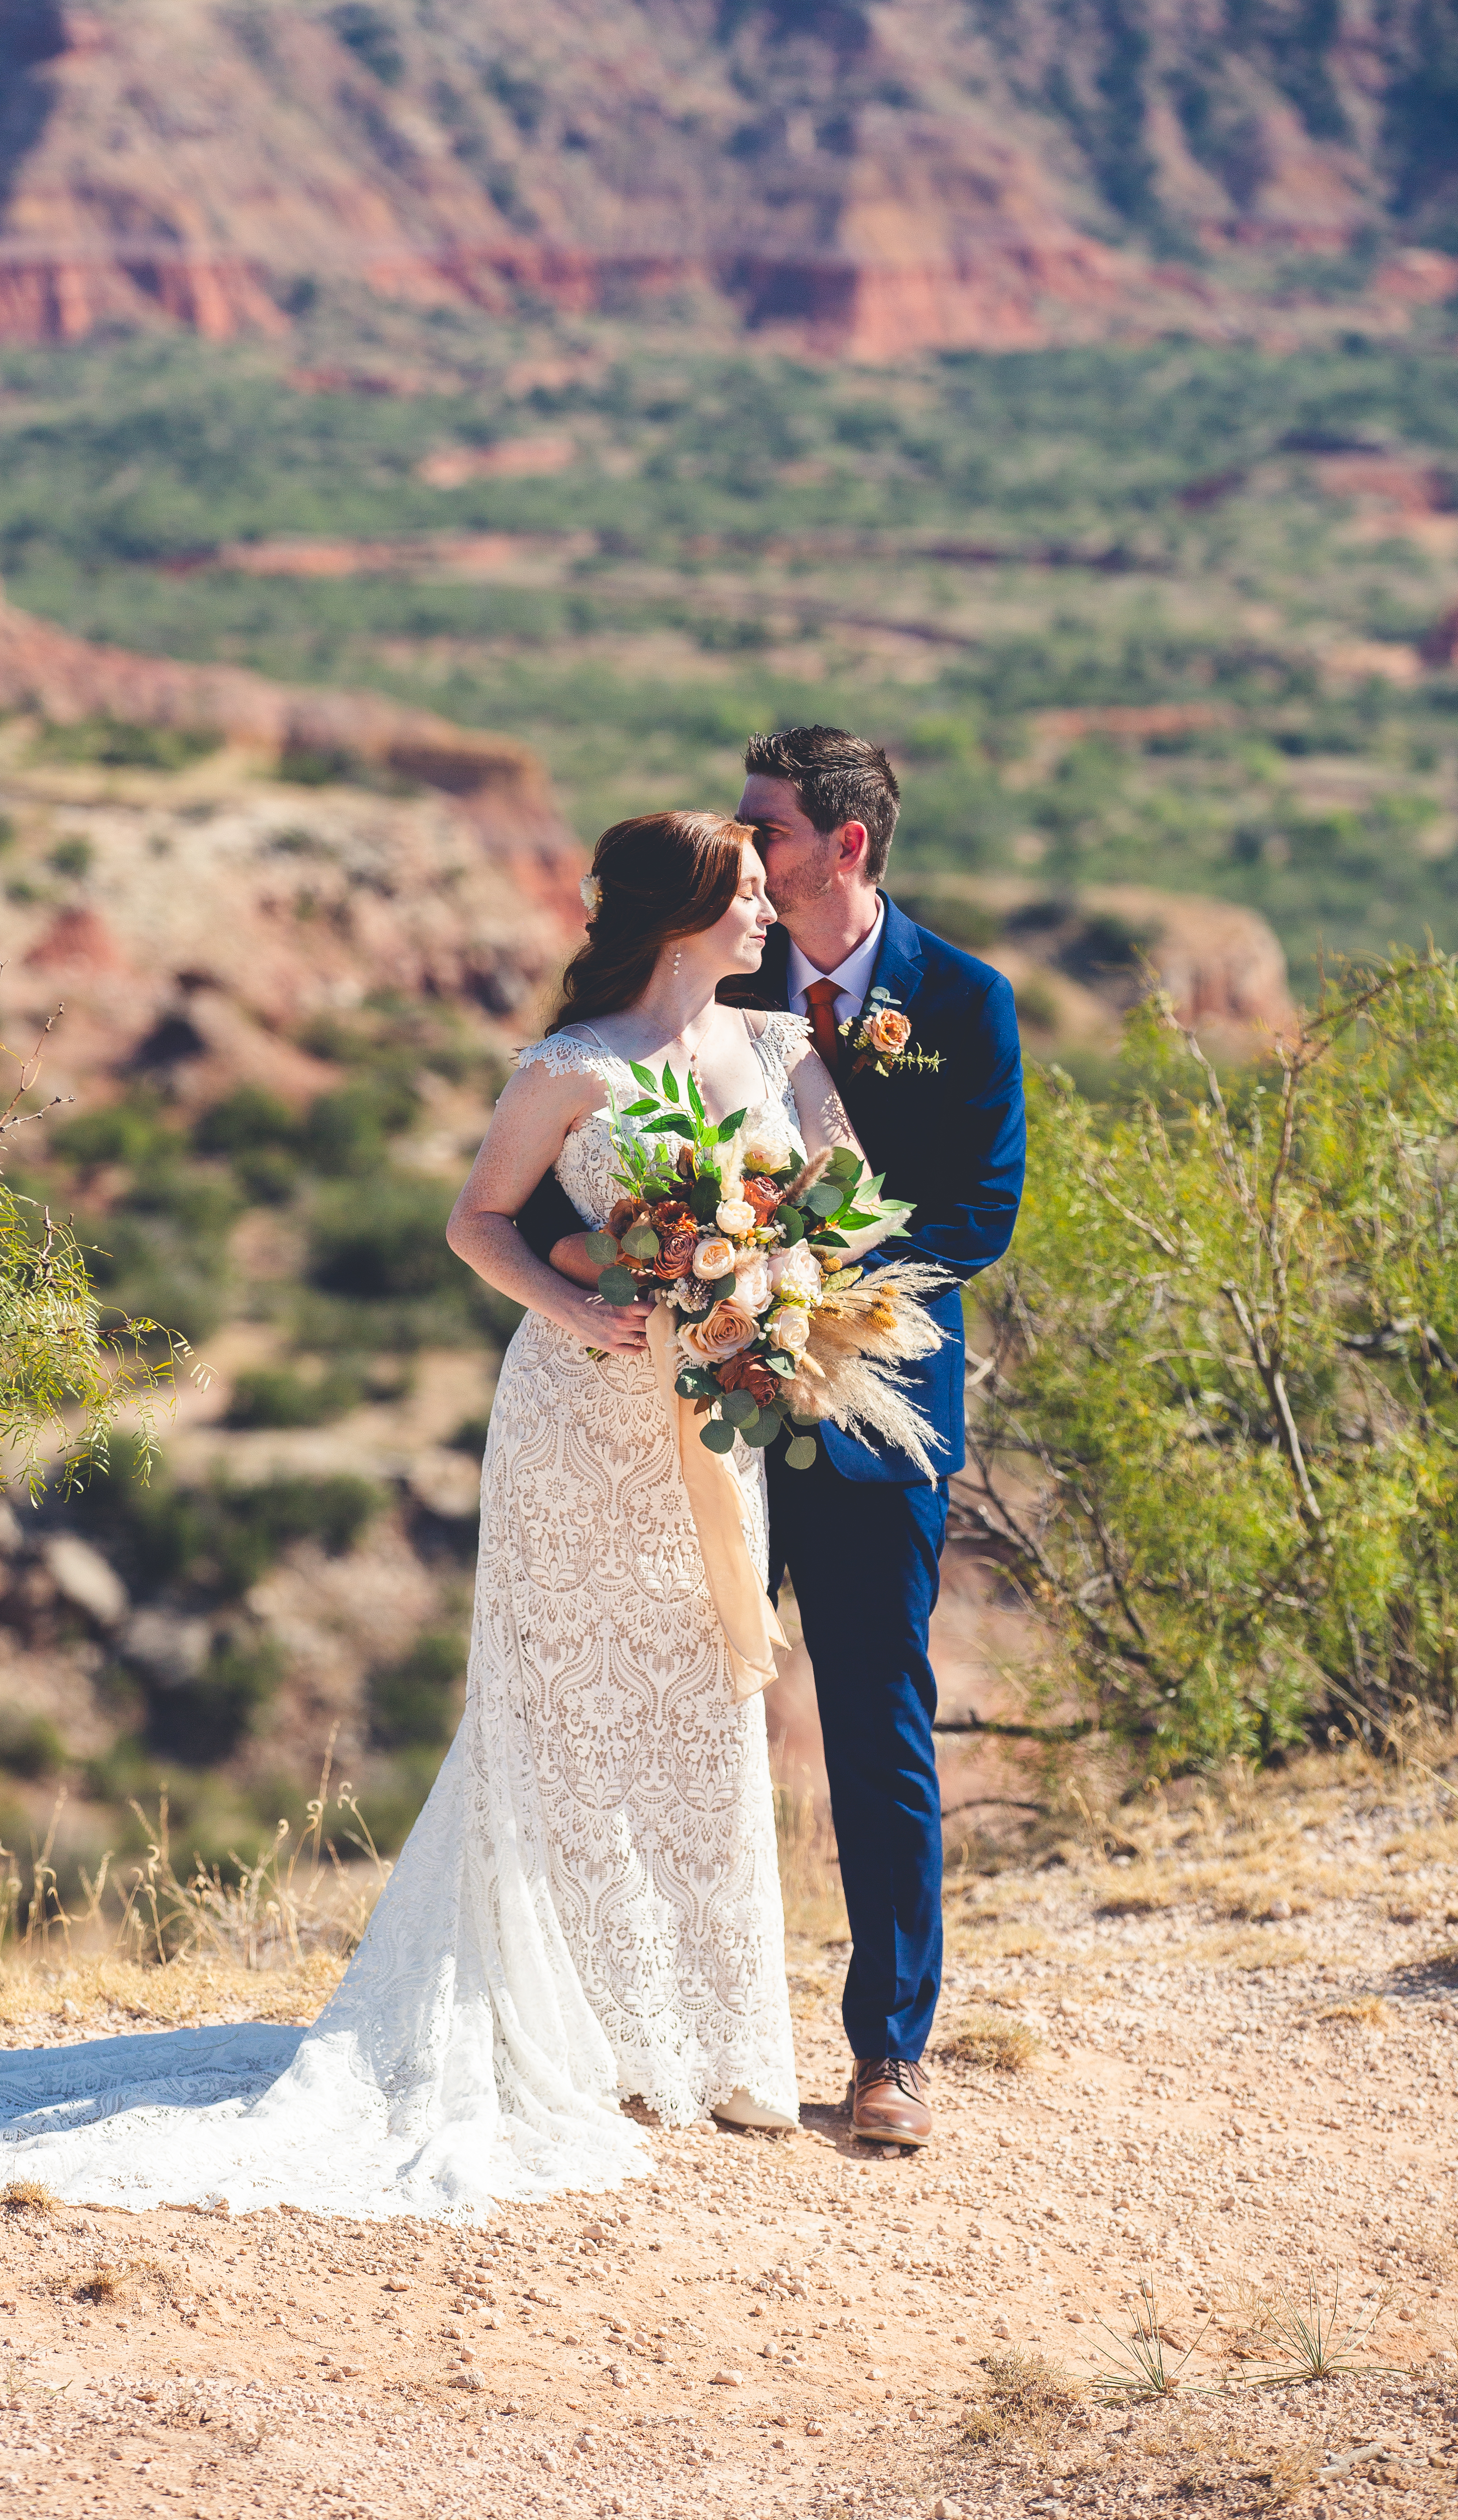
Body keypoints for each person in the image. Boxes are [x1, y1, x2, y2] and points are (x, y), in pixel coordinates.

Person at [0, 811, 861, 2217]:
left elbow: (838, 1214)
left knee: (697, 1698)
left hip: (710, 1427)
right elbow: (478, 1222)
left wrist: (777, 1296)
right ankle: (555, 2032)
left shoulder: (779, 1052)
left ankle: (700, 2041)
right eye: (748, 894)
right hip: (578, 1428)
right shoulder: (570, 1068)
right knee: (561, 1711)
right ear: (679, 914)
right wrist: (577, 1303)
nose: (771, 913)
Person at [518, 729, 1025, 2150]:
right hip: (685, 1429)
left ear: (844, 848)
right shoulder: (711, 986)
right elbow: (562, 1190)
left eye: (770, 830)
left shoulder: (964, 1002)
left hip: (867, 1424)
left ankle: (890, 2056)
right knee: (675, 1716)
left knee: (877, 1727)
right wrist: (665, 1268)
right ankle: (648, 2031)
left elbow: (976, 1222)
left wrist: (794, 1285)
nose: (748, 854)